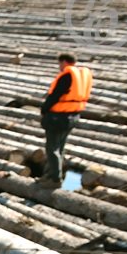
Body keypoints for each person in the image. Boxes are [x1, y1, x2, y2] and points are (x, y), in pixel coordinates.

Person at [39, 51, 93, 186]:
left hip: (58, 117)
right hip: (73, 115)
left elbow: (55, 96)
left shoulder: (67, 76)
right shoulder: (80, 76)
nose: (59, 66)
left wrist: (44, 109)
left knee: (52, 149)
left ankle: (54, 179)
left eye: (59, 63)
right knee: (60, 148)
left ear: (63, 62)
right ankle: (51, 175)